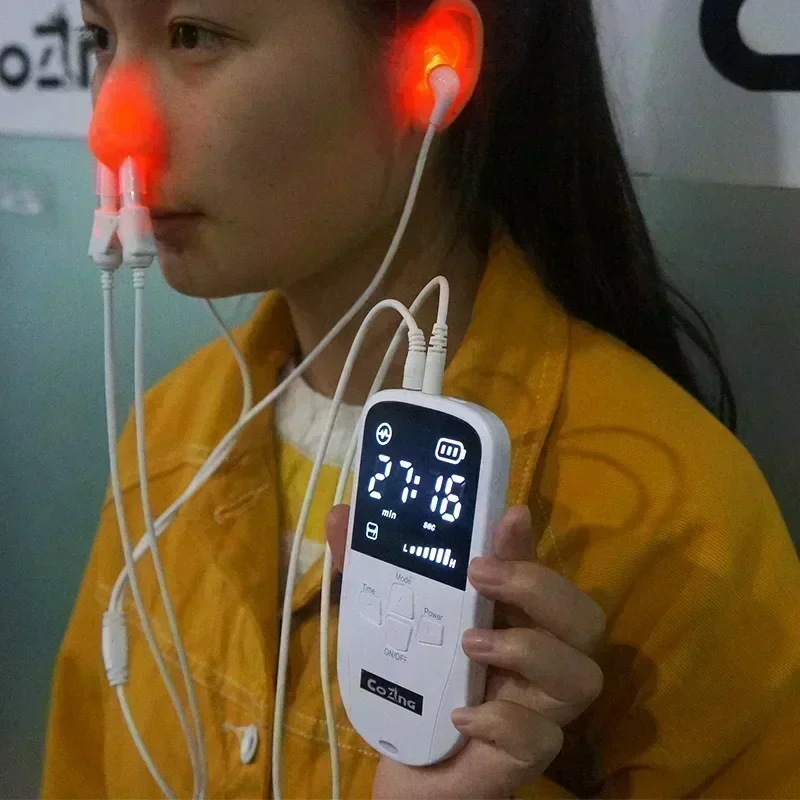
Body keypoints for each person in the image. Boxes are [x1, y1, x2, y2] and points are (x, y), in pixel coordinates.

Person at [42, 0, 799, 797]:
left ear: (435, 63)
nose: (110, 135)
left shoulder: (670, 511)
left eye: (194, 36)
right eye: (100, 38)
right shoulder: (169, 436)